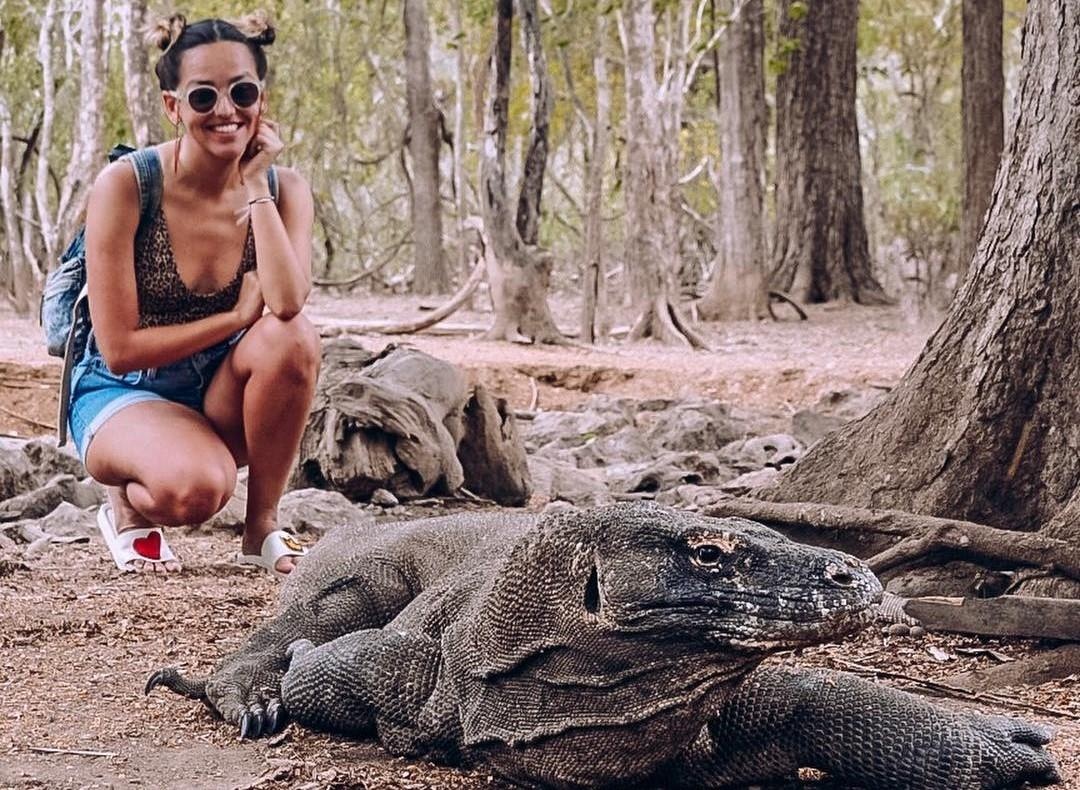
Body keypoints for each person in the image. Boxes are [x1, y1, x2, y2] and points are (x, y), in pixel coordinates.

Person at [70, 11, 320, 576]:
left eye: (243, 91)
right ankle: (126, 505)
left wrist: (255, 184)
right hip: (125, 390)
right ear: (172, 106)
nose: (226, 111)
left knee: (295, 339)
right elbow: (119, 349)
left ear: (262, 97)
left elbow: (285, 306)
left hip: (220, 389)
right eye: (203, 97)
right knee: (196, 492)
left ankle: (262, 529)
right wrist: (232, 315)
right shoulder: (128, 187)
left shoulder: (284, 190)